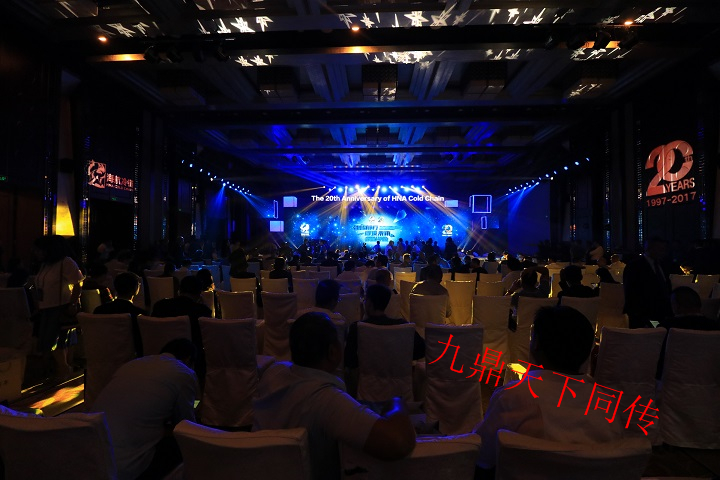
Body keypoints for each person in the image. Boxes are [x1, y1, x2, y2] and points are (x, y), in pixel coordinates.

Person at [253, 312, 416, 480]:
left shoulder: (272, 373)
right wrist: (397, 403)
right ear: (333, 351)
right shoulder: (327, 400)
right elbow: (398, 442)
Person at [474, 306, 623, 472]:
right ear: (588, 351)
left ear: (536, 344)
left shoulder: (513, 397)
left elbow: (480, 454)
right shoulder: (609, 405)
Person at [90, 338, 199, 480]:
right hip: (126, 466)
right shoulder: (184, 372)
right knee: (188, 448)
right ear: (189, 359)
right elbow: (186, 426)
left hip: (90, 458)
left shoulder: (131, 365)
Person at [32, 235, 84, 380]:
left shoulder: (66, 262)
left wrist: (73, 303)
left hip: (60, 306)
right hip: (46, 307)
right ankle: (63, 369)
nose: (36, 252)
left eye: (39, 249)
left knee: (56, 340)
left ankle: (64, 369)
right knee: (52, 341)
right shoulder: (45, 264)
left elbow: (78, 283)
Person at [344, 284, 425, 372]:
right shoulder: (403, 326)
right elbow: (421, 350)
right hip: (397, 378)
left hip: (368, 378)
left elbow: (349, 361)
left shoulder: (357, 328)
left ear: (369, 303)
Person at [152, 276, 212, 385]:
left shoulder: (160, 306)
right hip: (191, 360)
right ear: (199, 293)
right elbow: (207, 336)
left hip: (158, 355)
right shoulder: (201, 311)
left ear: (179, 290)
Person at [656, 286, 720, 379]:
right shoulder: (714, 327)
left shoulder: (666, 327)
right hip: (708, 382)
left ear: (676, 306)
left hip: (672, 382)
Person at [623, 237, 673, 329]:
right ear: (650, 248)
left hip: (661, 313)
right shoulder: (634, 266)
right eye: (660, 249)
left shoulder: (663, 264)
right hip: (643, 315)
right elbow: (630, 293)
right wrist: (641, 318)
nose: (663, 252)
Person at [94, 272, 147, 356]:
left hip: (103, 354)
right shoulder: (139, 314)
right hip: (130, 358)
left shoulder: (99, 311)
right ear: (135, 289)